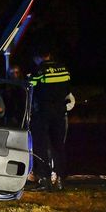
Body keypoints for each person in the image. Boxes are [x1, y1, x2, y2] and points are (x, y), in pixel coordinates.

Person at [28, 44, 72, 191]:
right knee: (58, 146)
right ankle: (60, 180)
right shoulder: (63, 68)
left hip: (43, 112)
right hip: (59, 112)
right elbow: (67, 89)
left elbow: (31, 88)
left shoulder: (39, 69)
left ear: (38, 57)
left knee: (40, 146)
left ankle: (44, 179)